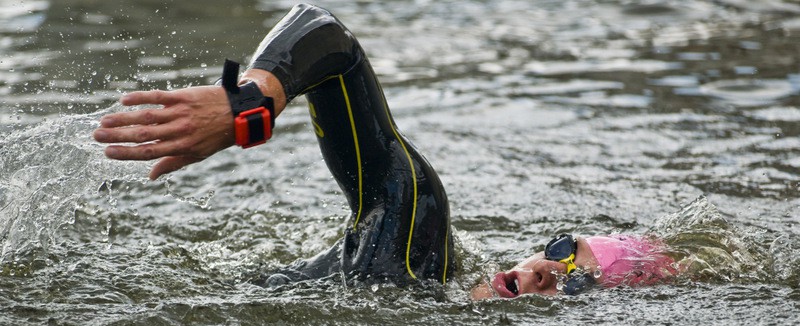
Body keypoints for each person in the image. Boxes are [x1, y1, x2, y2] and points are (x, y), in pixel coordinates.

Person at [93, 3, 681, 298]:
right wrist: (252, 104)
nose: (553, 271)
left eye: (579, 284)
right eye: (567, 252)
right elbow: (327, 34)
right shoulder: (415, 239)